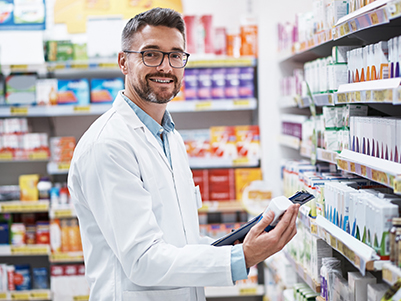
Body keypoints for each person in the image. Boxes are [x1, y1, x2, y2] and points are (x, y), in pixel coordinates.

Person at [68, 7, 300, 301]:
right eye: (151, 54)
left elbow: (179, 242)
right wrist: (241, 258)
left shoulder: (170, 137)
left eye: (176, 55)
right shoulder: (107, 145)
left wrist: (236, 244)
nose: (166, 67)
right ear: (123, 62)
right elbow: (143, 260)